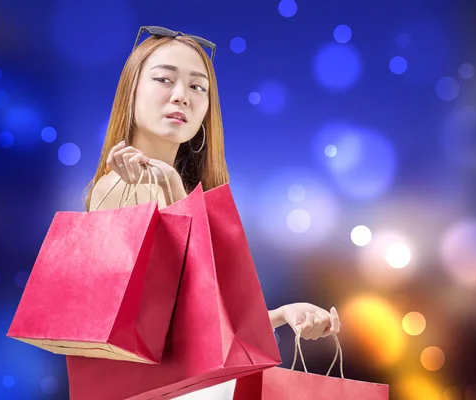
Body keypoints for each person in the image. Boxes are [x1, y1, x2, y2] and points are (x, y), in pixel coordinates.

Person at [84, 26, 341, 398]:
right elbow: (157, 318)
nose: (181, 97)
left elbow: (201, 320)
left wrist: (283, 314)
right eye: (164, 79)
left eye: (197, 87)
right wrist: (169, 184)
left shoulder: (184, 189)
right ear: (131, 90)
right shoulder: (118, 188)